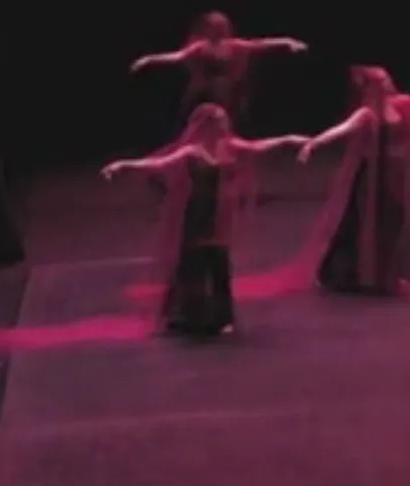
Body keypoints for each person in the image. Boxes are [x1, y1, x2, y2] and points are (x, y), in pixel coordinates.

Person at [100, 104, 307, 337]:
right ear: (208, 126)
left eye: (224, 120)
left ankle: (223, 317)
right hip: (199, 214)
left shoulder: (228, 146)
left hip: (220, 214)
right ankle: (187, 314)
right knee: (193, 264)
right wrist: (123, 165)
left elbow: (258, 147)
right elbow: (160, 163)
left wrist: (289, 138)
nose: (224, 125)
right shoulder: (193, 152)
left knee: (220, 265)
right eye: (219, 121)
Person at [295, 66, 410, 296]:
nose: (389, 83)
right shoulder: (367, 113)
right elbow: (343, 129)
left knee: (395, 220)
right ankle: (335, 272)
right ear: (375, 88)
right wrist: (315, 143)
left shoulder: (399, 104)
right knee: (359, 224)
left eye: (387, 79)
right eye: (383, 81)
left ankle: (387, 272)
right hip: (373, 177)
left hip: (394, 173)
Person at [129, 11, 308, 130]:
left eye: (221, 26)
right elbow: (177, 56)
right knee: (190, 122)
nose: (219, 29)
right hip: (204, 93)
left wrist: (287, 42)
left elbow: (260, 44)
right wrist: (148, 60)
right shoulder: (200, 46)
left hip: (226, 94)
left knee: (224, 125)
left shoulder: (232, 45)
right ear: (207, 29)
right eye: (215, 26)